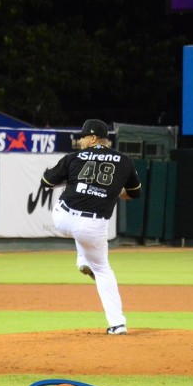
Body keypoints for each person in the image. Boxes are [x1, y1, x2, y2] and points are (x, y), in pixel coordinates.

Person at [41, 119, 142, 335]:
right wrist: (114, 192)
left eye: (83, 137)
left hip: (63, 219)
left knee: (72, 199)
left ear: (93, 138)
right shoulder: (124, 161)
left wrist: (71, 179)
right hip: (93, 226)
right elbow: (135, 193)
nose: (81, 140)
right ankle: (117, 324)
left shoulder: (74, 158)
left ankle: (82, 260)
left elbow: (46, 182)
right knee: (103, 270)